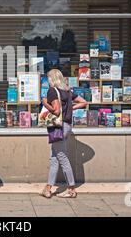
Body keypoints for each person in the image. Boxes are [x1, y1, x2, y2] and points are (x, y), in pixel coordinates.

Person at [40, 69, 87, 198]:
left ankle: (71, 189)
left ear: (52, 79)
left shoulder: (52, 91)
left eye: (48, 78)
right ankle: (48, 188)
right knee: (55, 158)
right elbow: (83, 102)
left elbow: (55, 111)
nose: (48, 81)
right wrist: (71, 108)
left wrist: (44, 103)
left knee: (62, 158)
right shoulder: (67, 91)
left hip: (58, 127)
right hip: (66, 126)